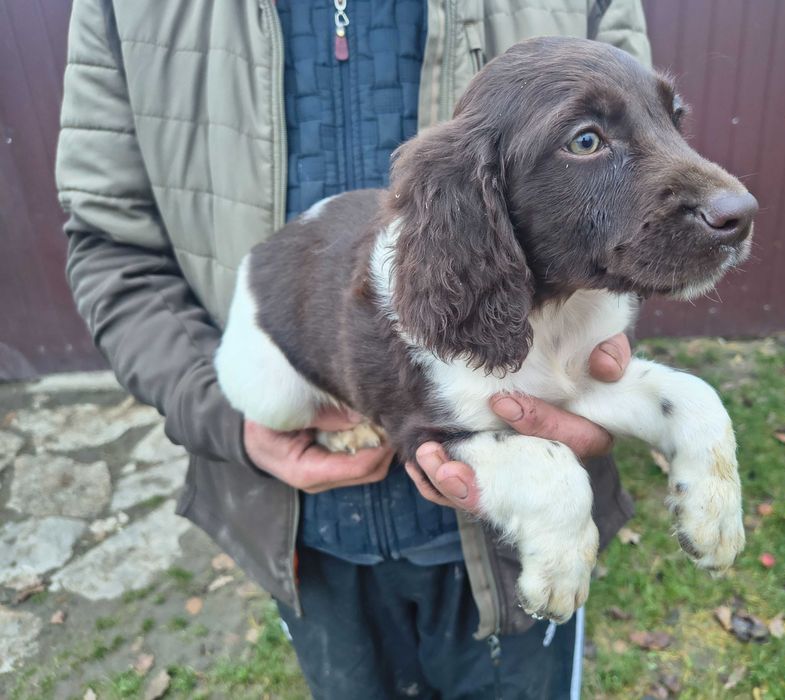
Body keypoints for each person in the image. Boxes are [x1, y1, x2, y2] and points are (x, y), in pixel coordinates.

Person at [56, 1, 651, 696]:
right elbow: (112, 244)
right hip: (307, 524)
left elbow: (651, 199)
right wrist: (227, 414)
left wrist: (585, 368)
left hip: (508, 526)